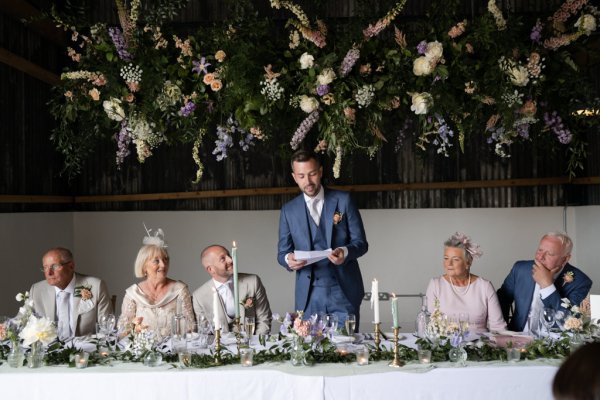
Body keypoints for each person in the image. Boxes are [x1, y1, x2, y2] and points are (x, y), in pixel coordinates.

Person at [277, 150, 368, 329]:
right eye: (301, 176)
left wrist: (345, 252)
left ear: (320, 171)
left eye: (312, 174)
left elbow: (361, 243)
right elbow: (282, 252)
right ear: (294, 177)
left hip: (344, 292)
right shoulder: (288, 210)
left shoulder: (344, 200)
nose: (308, 181)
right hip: (309, 296)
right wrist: (289, 260)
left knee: (347, 349)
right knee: (312, 353)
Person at [497, 231, 593, 333]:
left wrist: (547, 285)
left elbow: (569, 322)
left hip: (553, 343)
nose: (540, 257)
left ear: (565, 259)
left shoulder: (581, 282)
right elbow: (501, 300)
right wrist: (502, 330)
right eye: (540, 250)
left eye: (550, 254)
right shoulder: (520, 269)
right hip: (517, 336)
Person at [117, 228, 194, 336]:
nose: (163, 265)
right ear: (144, 266)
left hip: (173, 349)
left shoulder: (180, 290)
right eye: (156, 261)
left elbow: (190, 328)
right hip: (142, 351)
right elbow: (123, 330)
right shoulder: (133, 294)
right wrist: (134, 330)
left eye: (166, 259)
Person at [425, 232, 507, 333]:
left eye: (455, 259)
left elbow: (498, 327)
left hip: (480, 345)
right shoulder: (435, 285)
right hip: (445, 345)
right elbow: (429, 325)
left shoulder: (485, 286)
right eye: (446, 258)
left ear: (468, 262)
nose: (449, 264)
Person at [29, 247, 113, 340]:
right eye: (45, 267)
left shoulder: (96, 286)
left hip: (86, 349)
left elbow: (106, 329)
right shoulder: (37, 290)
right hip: (49, 351)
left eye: (54, 266)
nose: (49, 273)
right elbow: (23, 321)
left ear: (71, 266)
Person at [192, 244, 272, 335]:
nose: (230, 260)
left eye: (229, 255)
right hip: (219, 346)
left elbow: (264, 319)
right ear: (211, 269)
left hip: (252, 343)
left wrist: (255, 345)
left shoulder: (253, 282)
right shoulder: (198, 297)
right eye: (223, 259)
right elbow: (204, 331)